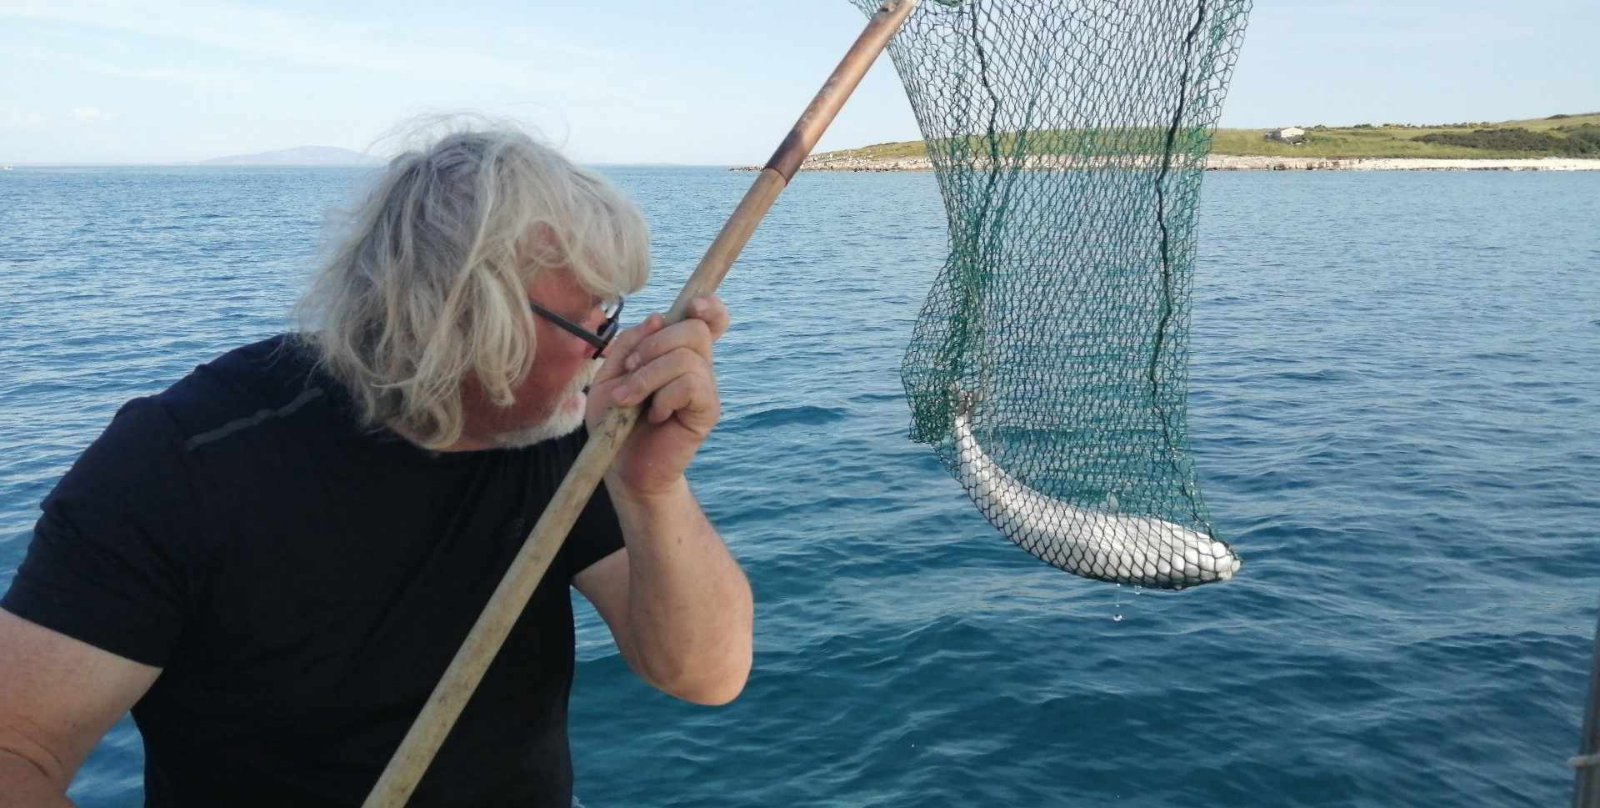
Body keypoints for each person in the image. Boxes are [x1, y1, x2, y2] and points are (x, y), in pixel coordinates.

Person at [0, 127, 753, 807]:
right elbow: (17, 752)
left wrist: (650, 487)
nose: (606, 353)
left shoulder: (559, 434)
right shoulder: (183, 463)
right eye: (591, 322)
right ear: (466, 317)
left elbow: (703, 675)